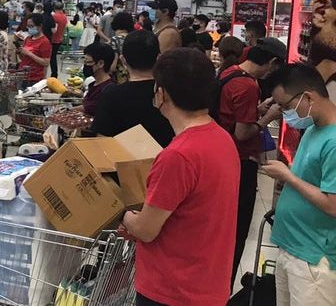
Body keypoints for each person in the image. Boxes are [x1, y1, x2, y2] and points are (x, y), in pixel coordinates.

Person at [119, 48, 240, 306]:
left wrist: (122, 213)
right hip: (208, 283)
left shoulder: (178, 155)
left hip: (171, 290)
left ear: (161, 93)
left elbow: (146, 230)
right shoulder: (222, 139)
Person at [215, 36, 288, 283]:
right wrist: (269, 116)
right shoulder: (248, 86)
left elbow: (230, 115)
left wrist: (258, 109)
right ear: (273, 62)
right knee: (236, 232)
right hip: (238, 160)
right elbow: (242, 132)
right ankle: (223, 286)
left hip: (221, 154)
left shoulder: (230, 73)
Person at [263, 64, 336, 305]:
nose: (284, 113)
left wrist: (289, 177)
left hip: (313, 257)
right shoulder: (315, 129)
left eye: (286, 106)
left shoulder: (334, 141)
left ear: (308, 97)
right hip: (291, 246)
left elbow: (332, 205)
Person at [91, 31, 174, 147]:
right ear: (158, 58)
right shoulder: (169, 93)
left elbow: (102, 140)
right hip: (164, 161)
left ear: (123, 60)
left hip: (122, 161)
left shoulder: (112, 94)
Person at [16, 13, 52, 84]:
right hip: (23, 75)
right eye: (28, 26)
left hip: (34, 78)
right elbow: (23, 58)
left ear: (40, 26)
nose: (29, 29)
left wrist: (29, 53)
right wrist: (20, 52)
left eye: (32, 26)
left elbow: (46, 63)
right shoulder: (28, 38)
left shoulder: (44, 42)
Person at [82, 42, 116, 117]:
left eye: (87, 61)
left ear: (100, 63)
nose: (85, 65)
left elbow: (88, 108)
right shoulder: (94, 83)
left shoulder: (108, 89)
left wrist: (67, 110)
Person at [109, 11, 134, 83]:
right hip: (135, 76)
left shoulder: (115, 40)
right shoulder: (135, 38)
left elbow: (112, 67)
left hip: (120, 78)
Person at [50, 1, 68, 75]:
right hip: (59, 38)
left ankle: (54, 73)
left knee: (52, 57)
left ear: (54, 8)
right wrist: (62, 36)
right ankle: (54, 73)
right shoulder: (64, 17)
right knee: (54, 56)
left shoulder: (54, 16)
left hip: (52, 39)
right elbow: (65, 28)